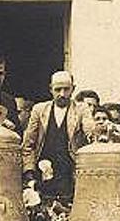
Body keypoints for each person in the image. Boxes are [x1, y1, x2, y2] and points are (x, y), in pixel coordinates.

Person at [21, 70, 96, 202]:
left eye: (66, 89)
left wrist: (96, 133)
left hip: (69, 173)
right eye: (58, 89)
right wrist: (29, 171)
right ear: (50, 89)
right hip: (43, 171)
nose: (62, 94)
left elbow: (89, 130)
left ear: (73, 89)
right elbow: (28, 144)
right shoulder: (39, 110)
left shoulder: (81, 109)